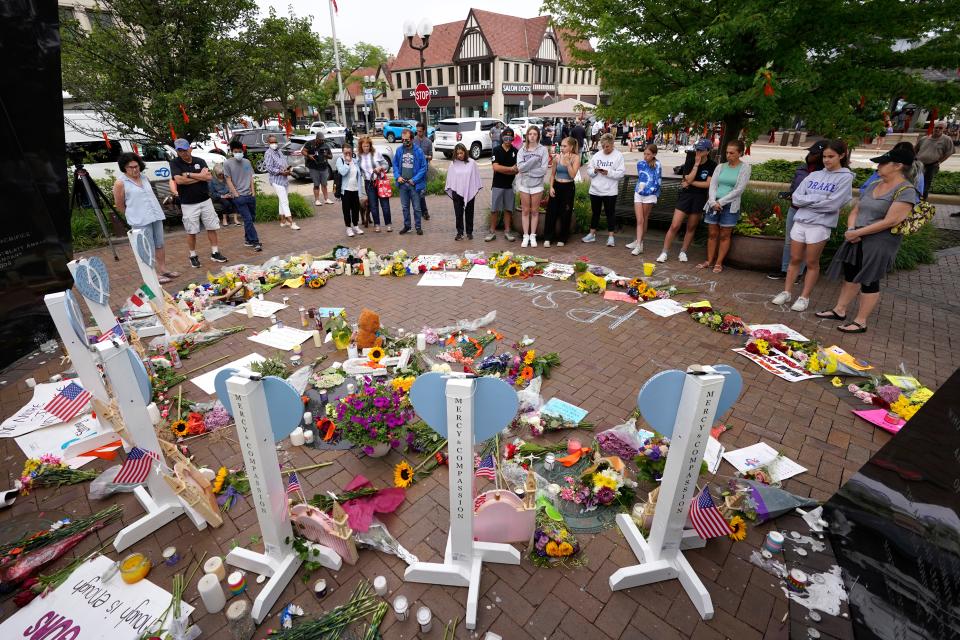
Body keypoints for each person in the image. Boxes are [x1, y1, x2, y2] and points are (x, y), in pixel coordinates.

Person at [818, 146, 918, 333]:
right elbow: (856, 209)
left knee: (869, 279)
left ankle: (861, 321)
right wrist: (851, 229)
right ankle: (839, 310)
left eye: (882, 163)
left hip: (879, 242)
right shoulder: (873, 185)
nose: (878, 166)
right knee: (851, 274)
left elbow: (892, 220)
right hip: (855, 237)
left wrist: (859, 233)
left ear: (897, 166)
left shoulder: (906, 190)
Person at [771, 139, 854, 311]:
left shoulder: (845, 177)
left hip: (820, 225)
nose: (826, 160)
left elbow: (833, 204)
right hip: (801, 221)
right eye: (824, 156)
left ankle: (804, 297)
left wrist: (808, 201)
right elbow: (796, 197)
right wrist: (817, 200)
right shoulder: (814, 175)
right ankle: (787, 292)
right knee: (794, 258)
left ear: (842, 155)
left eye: (831, 156)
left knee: (811, 261)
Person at [112, 152, 178, 282]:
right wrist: (132, 214)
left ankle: (163, 269)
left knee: (159, 244)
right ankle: (152, 273)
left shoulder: (144, 178)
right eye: (131, 167)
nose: (135, 169)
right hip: (139, 220)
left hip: (155, 215)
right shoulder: (120, 183)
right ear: (124, 167)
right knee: (146, 246)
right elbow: (119, 204)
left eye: (136, 166)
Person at [766, 141, 825, 280]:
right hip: (795, 209)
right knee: (789, 241)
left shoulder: (823, 173)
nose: (810, 155)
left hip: (811, 212)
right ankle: (785, 270)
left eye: (814, 153)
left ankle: (798, 273)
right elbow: (794, 187)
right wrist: (790, 195)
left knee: (805, 244)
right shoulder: (801, 169)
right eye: (810, 152)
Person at [169, 139, 227, 268]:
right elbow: (179, 180)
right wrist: (198, 176)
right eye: (180, 150)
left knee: (211, 227)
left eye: (185, 149)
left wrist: (189, 175)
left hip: (205, 200)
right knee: (191, 231)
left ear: (190, 148)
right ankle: (193, 255)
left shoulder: (199, 161)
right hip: (188, 203)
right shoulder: (174, 163)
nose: (183, 153)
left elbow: (208, 177)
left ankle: (215, 252)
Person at [657, 139, 716, 263]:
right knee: (675, 225)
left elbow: (707, 184)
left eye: (701, 150)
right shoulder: (690, 162)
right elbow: (687, 177)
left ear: (708, 151)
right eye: (697, 149)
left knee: (691, 226)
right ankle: (664, 252)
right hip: (686, 196)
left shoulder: (712, 165)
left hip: (699, 197)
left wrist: (690, 183)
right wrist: (696, 164)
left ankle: (683, 251)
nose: (698, 152)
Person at [699, 139, 752, 272]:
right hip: (713, 203)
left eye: (732, 153)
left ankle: (719, 262)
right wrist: (712, 201)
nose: (728, 155)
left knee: (724, 235)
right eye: (727, 152)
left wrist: (720, 202)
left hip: (729, 205)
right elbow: (713, 185)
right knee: (712, 233)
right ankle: (709, 260)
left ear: (740, 153)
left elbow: (739, 190)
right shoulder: (720, 166)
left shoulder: (745, 168)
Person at [582, 133, 625, 246]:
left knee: (610, 213)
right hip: (595, 189)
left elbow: (621, 174)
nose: (605, 149)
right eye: (603, 146)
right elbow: (589, 170)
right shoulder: (597, 155)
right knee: (595, 213)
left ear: (612, 145)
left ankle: (611, 237)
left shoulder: (618, 156)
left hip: (610, 191)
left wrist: (608, 172)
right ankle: (592, 234)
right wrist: (595, 171)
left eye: (607, 146)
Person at [223, 140, 261, 252]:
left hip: (250, 195)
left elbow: (250, 177)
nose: (238, 153)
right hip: (239, 197)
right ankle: (255, 241)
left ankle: (248, 239)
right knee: (248, 219)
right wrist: (236, 194)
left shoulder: (247, 162)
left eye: (240, 151)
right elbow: (228, 180)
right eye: (236, 151)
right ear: (231, 151)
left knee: (251, 219)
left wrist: (253, 192)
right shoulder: (227, 163)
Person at [516, 126, 551, 247]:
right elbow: (520, 168)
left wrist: (527, 170)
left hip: (537, 185)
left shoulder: (543, 150)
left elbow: (543, 170)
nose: (532, 136)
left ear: (538, 136)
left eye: (534, 134)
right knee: (525, 211)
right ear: (527, 135)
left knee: (535, 211)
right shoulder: (522, 151)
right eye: (530, 134)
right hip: (524, 184)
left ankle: (533, 236)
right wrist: (534, 161)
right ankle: (525, 236)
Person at [543, 136, 581, 248]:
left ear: (571, 147)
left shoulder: (575, 158)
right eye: (561, 145)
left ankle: (563, 238)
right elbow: (552, 174)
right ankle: (548, 237)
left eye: (565, 146)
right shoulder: (557, 157)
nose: (562, 148)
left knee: (565, 212)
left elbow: (573, 175)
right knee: (551, 211)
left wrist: (568, 163)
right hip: (557, 185)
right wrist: (551, 187)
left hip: (568, 186)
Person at [627, 144, 662, 256]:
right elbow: (641, 178)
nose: (646, 156)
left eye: (648, 154)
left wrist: (648, 190)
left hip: (650, 195)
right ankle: (638, 243)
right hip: (639, 193)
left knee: (644, 218)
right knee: (640, 219)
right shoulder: (640, 164)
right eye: (645, 154)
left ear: (654, 154)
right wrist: (640, 189)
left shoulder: (657, 165)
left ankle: (639, 244)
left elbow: (657, 182)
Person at [486, 127, 519, 242]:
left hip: (510, 185)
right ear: (502, 137)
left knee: (508, 209)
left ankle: (507, 231)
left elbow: (517, 169)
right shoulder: (496, 150)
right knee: (494, 209)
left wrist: (504, 169)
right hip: (497, 185)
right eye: (505, 136)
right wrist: (510, 169)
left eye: (510, 137)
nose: (508, 139)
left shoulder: (516, 151)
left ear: (513, 138)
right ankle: (492, 232)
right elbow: (495, 167)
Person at [392, 129, 427, 235]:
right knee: (405, 207)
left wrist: (414, 180)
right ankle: (407, 226)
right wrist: (397, 176)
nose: (404, 141)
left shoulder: (418, 151)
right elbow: (395, 165)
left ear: (412, 139)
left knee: (417, 208)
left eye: (406, 139)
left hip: (414, 185)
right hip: (403, 184)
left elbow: (423, 167)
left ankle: (418, 227)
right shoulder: (399, 150)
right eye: (402, 139)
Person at [445, 143, 482, 240]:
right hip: (456, 191)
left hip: (469, 190)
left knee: (470, 212)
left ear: (465, 152)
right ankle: (459, 233)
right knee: (458, 213)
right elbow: (450, 178)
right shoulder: (453, 164)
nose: (459, 155)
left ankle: (469, 232)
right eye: (457, 154)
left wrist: (475, 189)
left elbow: (475, 177)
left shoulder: (472, 163)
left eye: (461, 153)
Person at [263, 134, 299, 230]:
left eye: (275, 142)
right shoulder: (268, 153)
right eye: (272, 142)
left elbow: (283, 163)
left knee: (282, 200)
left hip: (284, 179)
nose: (274, 144)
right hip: (276, 180)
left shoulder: (279, 151)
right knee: (285, 201)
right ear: (268, 143)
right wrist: (281, 172)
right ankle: (291, 222)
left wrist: (288, 169)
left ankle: (283, 221)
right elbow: (269, 168)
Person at [357, 136, 392, 232]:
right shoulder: (359, 156)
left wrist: (380, 168)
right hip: (369, 183)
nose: (366, 148)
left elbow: (386, 165)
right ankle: (377, 224)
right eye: (364, 146)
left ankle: (388, 224)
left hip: (380, 181)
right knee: (373, 205)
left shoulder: (377, 154)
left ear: (370, 146)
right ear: (361, 146)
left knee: (385, 204)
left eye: (367, 146)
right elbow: (358, 170)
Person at [914, 120, 954, 200]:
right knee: (915, 182)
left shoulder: (947, 139)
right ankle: (912, 199)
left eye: (940, 128)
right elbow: (915, 149)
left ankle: (922, 203)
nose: (937, 129)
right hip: (918, 164)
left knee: (925, 185)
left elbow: (949, 152)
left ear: (944, 129)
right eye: (936, 127)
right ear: (933, 128)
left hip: (931, 166)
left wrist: (939, 161)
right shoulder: (924, 139)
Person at [336, 143, 364, 237]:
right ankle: (348, 227)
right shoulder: (340, 160)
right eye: (346, 152)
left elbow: (359, 174)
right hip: (346, 189)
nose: (348, 153)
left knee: (355, 209)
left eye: (349, 151)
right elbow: (343, 172)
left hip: (355, 189)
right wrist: (347, 163)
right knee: (346, 210)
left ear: (352, 151)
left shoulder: (355, 161)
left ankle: (355, 226)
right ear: (343, 151)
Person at [301, 131, 335, 206]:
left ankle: (326, 199)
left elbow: (331, 156)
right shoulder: (309, 143)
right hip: (313, 167)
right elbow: (303, 151)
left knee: (324, 184)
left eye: (323, 140)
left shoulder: (325, 145)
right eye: (320, 140)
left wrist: (326, 155)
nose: (322, 141)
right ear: (317, 138)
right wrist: (309, 156)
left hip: (324, 167)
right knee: (316, 184)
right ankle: (317, 200)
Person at [208, 163, 238, 227]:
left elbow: (231, 187)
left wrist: (231, 193)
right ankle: (224, 219)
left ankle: (235, 219)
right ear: (215, 174)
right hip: (217, 196)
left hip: (227, 195)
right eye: (219, 174)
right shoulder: (212, 181)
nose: (222, 175)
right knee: (226, 203)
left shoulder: (226, 178)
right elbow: (212, 193)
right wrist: (222, 196)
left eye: (222, 173)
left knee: (235, 200)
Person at [415, 123, 433, 221]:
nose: (418, 133)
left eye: (420, 131)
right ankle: (423, 212)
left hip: (423, 170)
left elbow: (431, 157)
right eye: (417, 131)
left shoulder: (428, 142)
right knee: (416, 193)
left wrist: (423, 156)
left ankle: (424, 212)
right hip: (413, 171)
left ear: (424, 131)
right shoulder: (413, 140)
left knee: (421, 192)